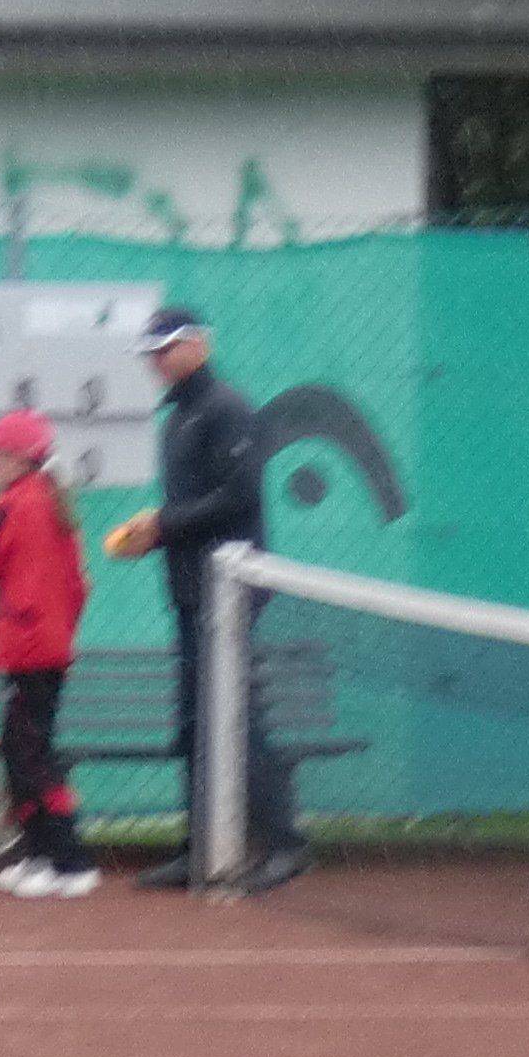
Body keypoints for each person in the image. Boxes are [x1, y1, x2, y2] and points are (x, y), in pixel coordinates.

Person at [104, 306, 311, 892]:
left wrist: (164, 525)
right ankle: (201, 849)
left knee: (235, 718)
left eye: (166, 348)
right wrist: (158, 531)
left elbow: (240, 497)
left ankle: (284, 843)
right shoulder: (179, 418)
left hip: (230, 593)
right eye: (151, 352)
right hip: (191, 591)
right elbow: (196, 505)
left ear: (199, 345)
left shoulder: (227, 409)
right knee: (196, 722)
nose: (156, 361)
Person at [0, 408, 97, 898]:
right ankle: (40, 856)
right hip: (49, 646)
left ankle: (69, 862)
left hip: (27, 648)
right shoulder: (58, 504)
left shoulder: (10, 506)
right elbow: (79, 586)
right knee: (22, 752)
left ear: (22, 459)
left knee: (30, 757)